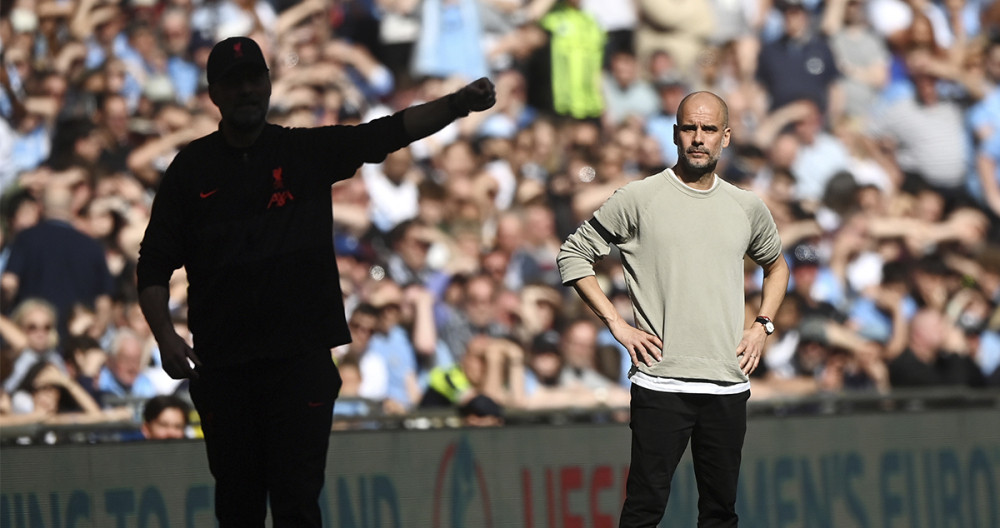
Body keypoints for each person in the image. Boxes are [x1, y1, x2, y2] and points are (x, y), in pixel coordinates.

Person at [135, 36, 495, 527]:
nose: (246, 91)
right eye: (233, 83)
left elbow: (385, 133)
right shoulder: (190, 170)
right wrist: (165, 336)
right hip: (224, 367)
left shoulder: (301, 151)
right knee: (237, 504)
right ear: (214, 93)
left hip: (299, 361)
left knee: (297, 503)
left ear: (267, 83)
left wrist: (457, 105)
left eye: (253, 79)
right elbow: (152, 265)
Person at [557, 91, 789, 526]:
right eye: (689, 128)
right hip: (662, 382)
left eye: (708, 129)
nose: (698, 138)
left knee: (720, 514)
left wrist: (762, 325)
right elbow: (573, 254)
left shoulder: (746, 206)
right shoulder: (640, 197)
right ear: (675, 133)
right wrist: (617, 325)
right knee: (644, 511)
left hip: (726, 384)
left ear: (726, 137)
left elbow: (777, 267)